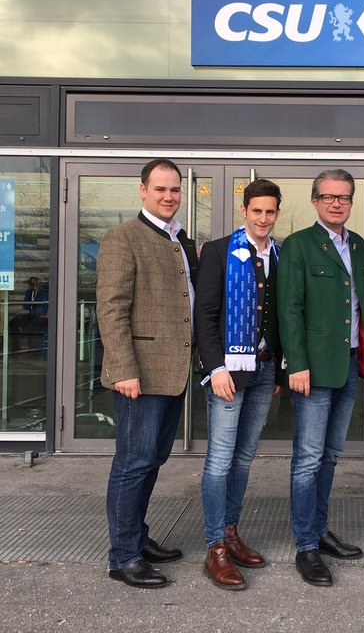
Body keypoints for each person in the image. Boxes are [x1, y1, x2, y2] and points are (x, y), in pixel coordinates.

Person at [96, 158, 197, 589]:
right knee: (132, 464)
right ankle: (123, 556)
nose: (169, 196)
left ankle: (137, 536)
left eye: (174, 190)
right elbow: (112, 309)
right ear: (142, 190)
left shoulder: (182, 241)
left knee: (152, 461)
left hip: (173, 372)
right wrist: (123, 369)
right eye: (160, 189)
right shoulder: (122, 238)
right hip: (138, 376)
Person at [278, 169, 364, 587]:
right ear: (315, 200)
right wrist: (296, 363)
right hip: (312, 369)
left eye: (344, 197)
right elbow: (289, 310)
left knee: (331, 455)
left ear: (351, 202)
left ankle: (319, 529)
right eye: (329, 197)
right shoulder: (298, 245)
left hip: (349, 364)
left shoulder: (360, 246)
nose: (337, 203)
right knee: (308, 459)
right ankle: (306, 546)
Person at [196, 179, 283, 591]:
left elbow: (281, 316)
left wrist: (280, 368)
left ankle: (231, 532)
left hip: (265, 370)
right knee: (220, 459)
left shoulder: (281, 255)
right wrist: (215, 368)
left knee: (245, 458)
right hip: (229, 371)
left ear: (276, 213)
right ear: (244, 211)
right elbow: (206, 314)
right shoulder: (218, 252)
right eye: (256, 211)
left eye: (270, 211)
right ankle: (214, 547)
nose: (263, 218)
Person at [9, 277, 48, 351]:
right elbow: (26, 303)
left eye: (35, 285)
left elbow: (43, 308)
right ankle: (15, 347)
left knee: (31, 326)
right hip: (28, 315)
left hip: (40, 316)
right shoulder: (29, 292)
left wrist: (31, 312)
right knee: (13, 322)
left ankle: (33, 349)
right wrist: (24, 309)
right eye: (32, 285)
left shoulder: (44, 293)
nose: (34, 287)